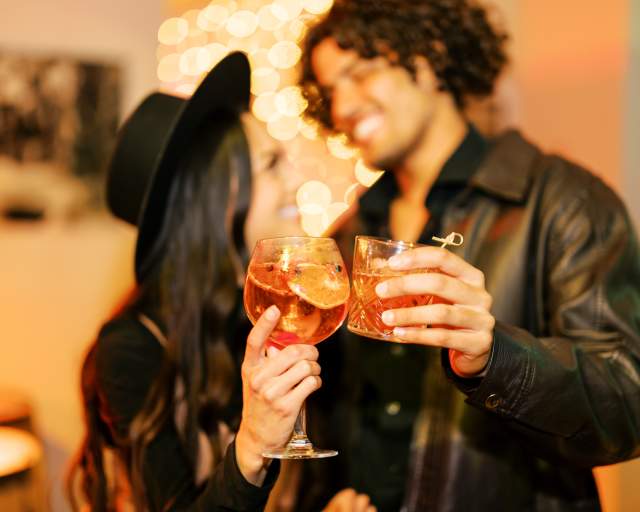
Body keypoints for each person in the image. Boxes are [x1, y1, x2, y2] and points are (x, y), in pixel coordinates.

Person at [289, 1, 640, 511]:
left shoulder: (564, 202)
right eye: (330, 90)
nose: (342, 107)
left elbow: (628, 405)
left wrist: (495, 358)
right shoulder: (349, 233)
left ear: (429, 57)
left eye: (359, 73)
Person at [66, 52, 321, 511]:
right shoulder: (131, 351)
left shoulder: (277, 314)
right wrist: (251, 448)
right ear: (217, 198)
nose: (295, 180)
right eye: (271, 165)